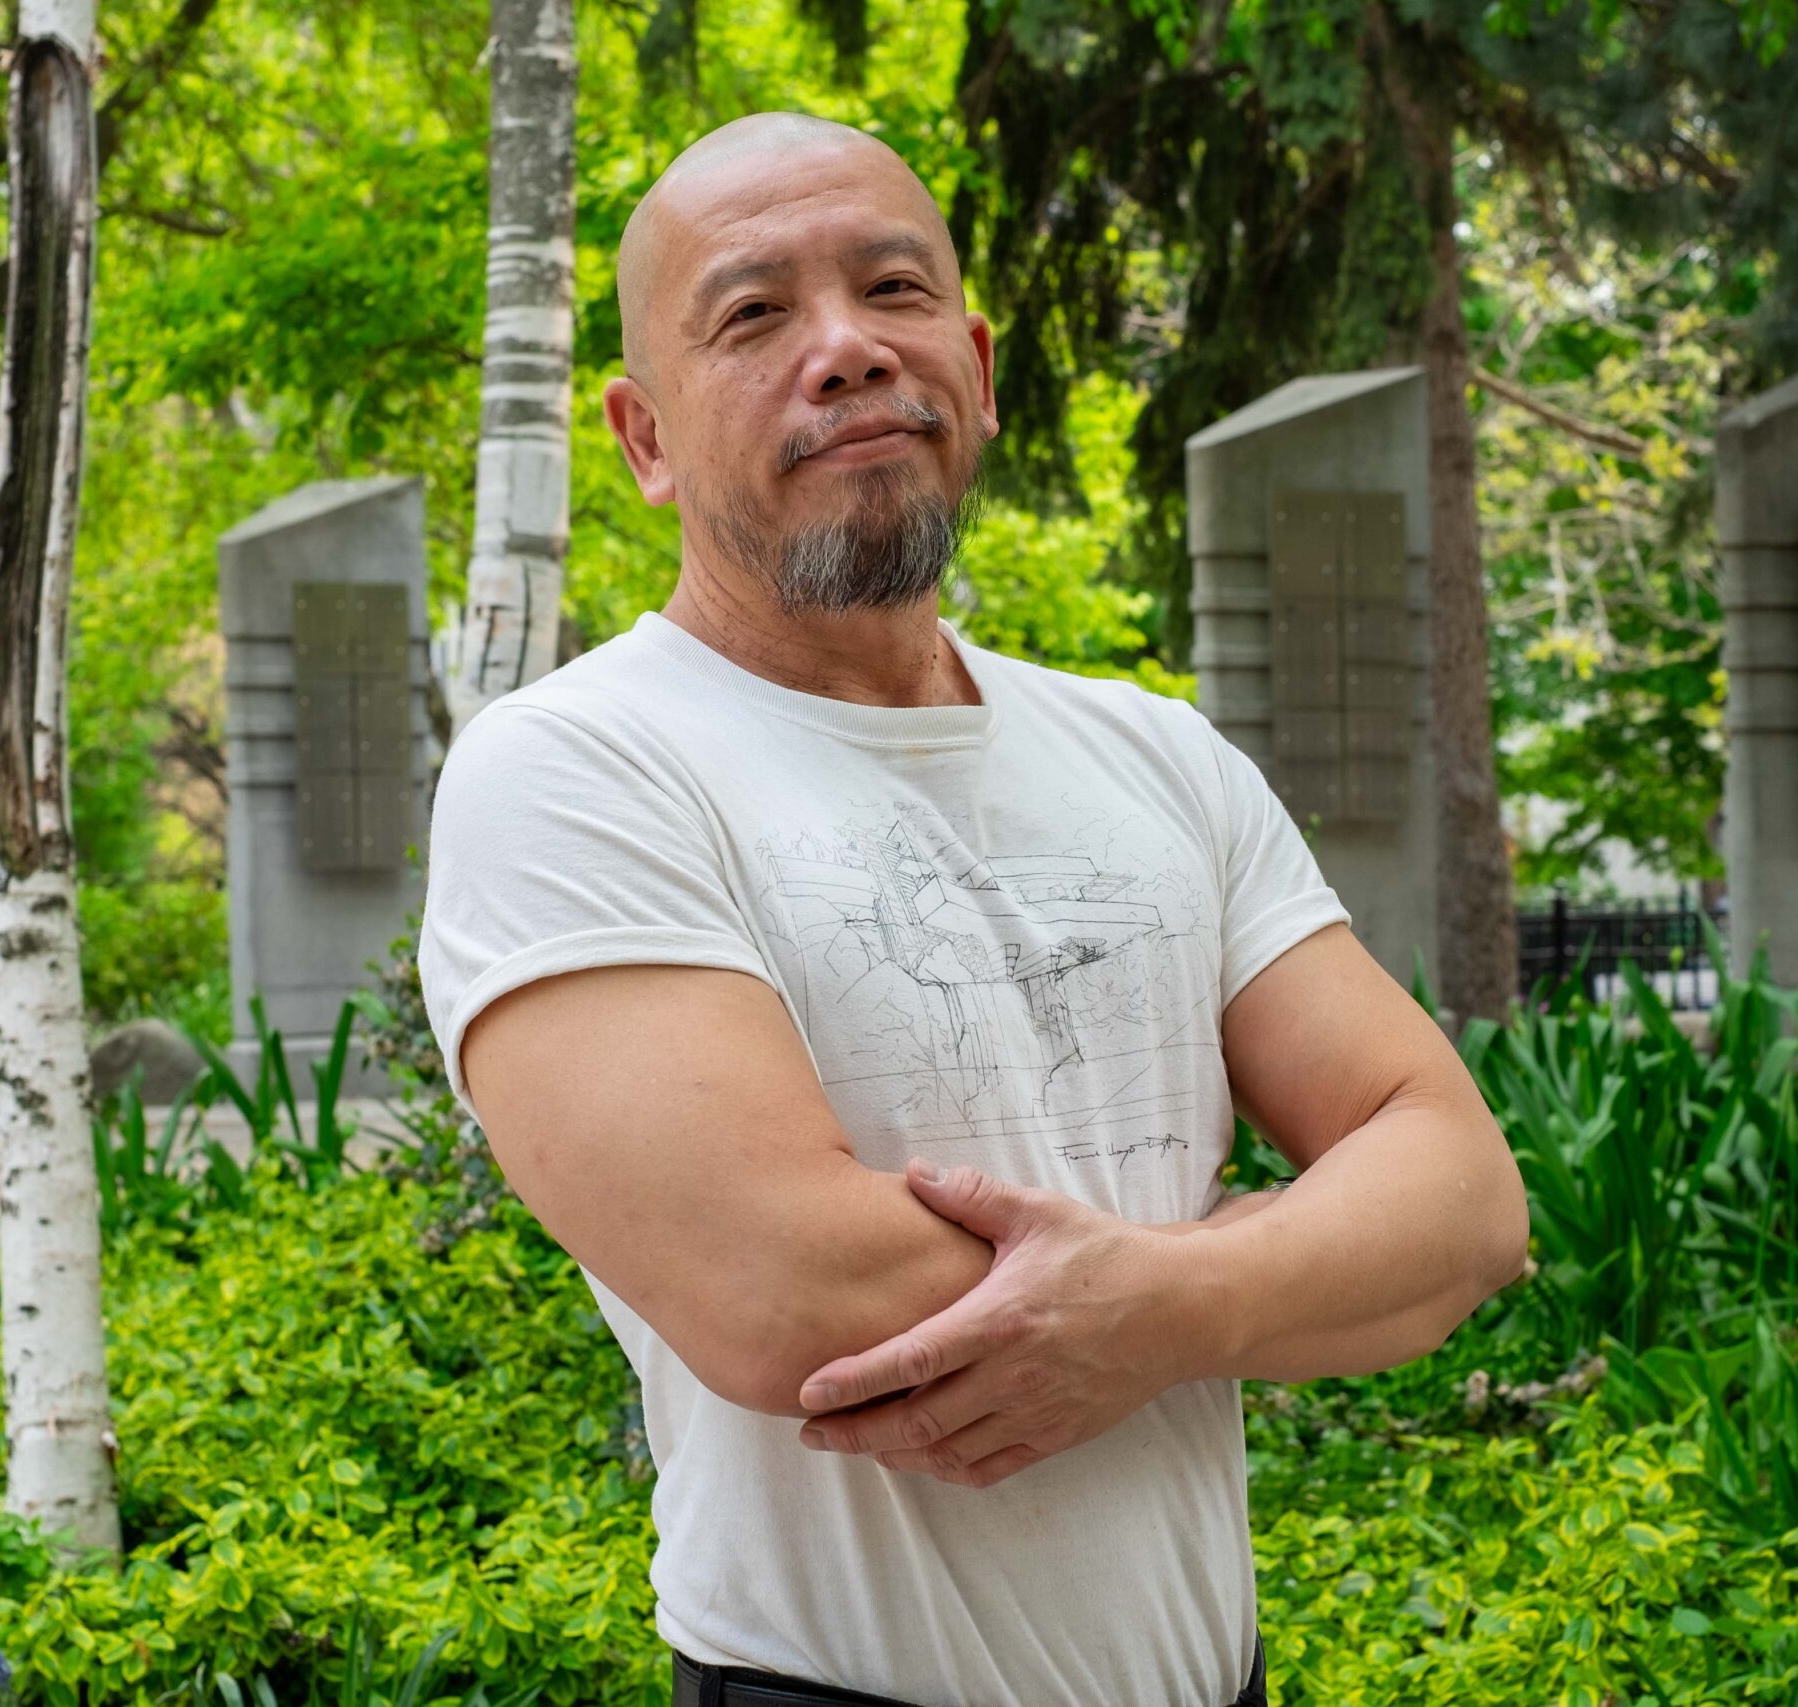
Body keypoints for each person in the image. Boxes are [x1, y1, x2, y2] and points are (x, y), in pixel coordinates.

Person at [416, 110, 1530, 1707]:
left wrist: (1177, 1300)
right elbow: (791, 1297)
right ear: (645, 437)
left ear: (980, 368)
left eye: (895, 290)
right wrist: (1279, 1259)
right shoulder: (579, 769)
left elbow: (1462, 1202)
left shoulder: (1154, 755)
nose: (849, 348)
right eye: (755, 314)